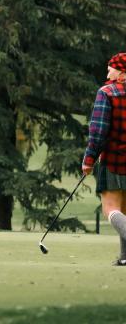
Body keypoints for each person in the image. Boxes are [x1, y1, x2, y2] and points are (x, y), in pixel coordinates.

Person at [82, 52, 126, 266]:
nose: (108, 71)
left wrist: (88, 160)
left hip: (114, 161)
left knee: (111, 208)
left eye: (112, 67)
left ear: (122, 72)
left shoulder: (106, 93)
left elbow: (98, 132)